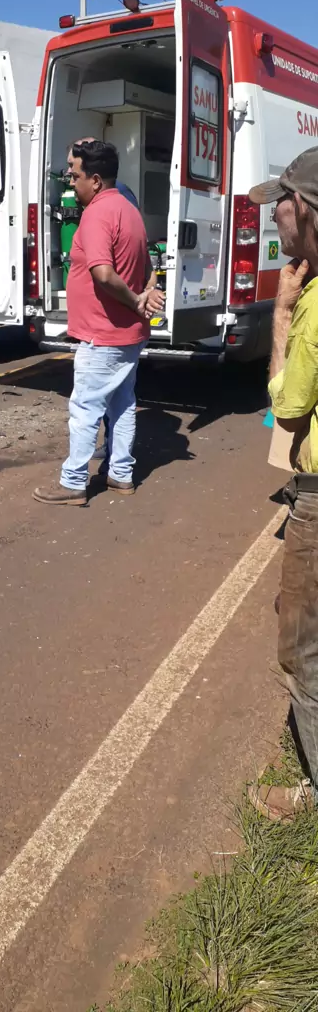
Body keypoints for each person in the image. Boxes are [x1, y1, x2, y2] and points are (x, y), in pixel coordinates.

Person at [33, 140, 164, 505]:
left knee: (85, 408)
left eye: (74, 175)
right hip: (126, 334)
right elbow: (150, 268)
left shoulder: (97, 214)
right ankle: (120, 474)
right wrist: (143, 296)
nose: (70, 182)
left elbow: (103, 273)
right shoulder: (128, 210)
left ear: (94, 179)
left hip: (104, 335)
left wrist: (136, 301)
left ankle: (73, 482)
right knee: (121, 404)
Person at [247, 146, 318, 821]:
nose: (274, 214)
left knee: (303, 649)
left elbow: (288, 409)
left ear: (308, 209)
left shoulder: (314, 307)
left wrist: (280, 317)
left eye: (283, 201)